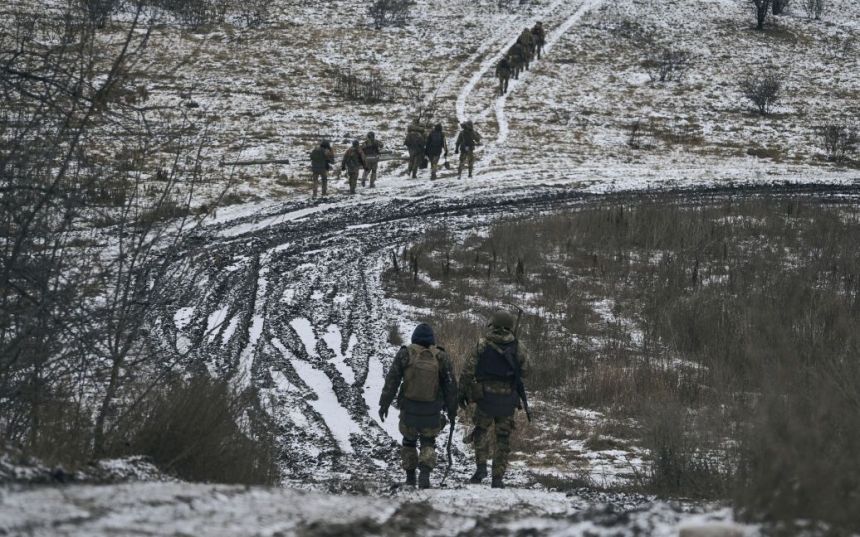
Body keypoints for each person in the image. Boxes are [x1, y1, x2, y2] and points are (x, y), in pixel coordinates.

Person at [379, 323, 458, 489]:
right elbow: (450, 385)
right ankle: (425, 474)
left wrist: (384, 404)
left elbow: (392, 381)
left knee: (409, 442)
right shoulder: (440, 357)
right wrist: (452, 409)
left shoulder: (405, 354)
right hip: (432, 408)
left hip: (409, 408)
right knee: (428, 442)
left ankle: (409, 477)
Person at [458, 310, 530, 489]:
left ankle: (481, 468)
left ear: (493, 324)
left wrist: (461, 393)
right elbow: (527, 370)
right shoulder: (518, 346)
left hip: (484, 397)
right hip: (507, 399)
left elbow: (468, 370)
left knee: (481, 430)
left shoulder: (483, 344)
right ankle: (497, 477)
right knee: (503, 436)